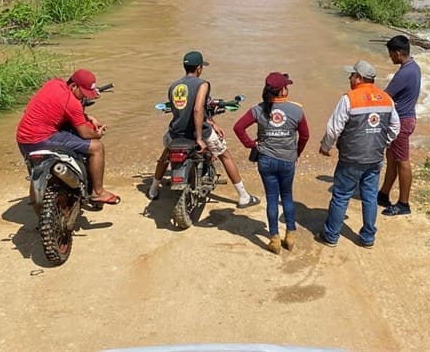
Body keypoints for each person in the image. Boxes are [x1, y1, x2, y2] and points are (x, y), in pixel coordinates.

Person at [148, 51, 260, 209]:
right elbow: (197, 109)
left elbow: (180, 111)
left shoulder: (174, 86)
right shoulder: (203, 84)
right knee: (225, 155)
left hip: (175, 133)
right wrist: (199, 137)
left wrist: (211, 121)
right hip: (199, 133)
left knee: (165, 156)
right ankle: (243, 196)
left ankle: (153, 190)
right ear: (199, 68)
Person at [318, 60, 399, 248]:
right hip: (375, 157)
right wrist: (382, 144)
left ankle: (331, 236)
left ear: (359, 78)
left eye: (352, 75)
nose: (349, 77)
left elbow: (333, 129)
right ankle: (368, 237)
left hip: (351, 158)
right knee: (370, 196)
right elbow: (395, 127)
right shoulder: (386, 99)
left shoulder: (349, 98)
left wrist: (325, 146)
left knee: (341, 195)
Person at [16, 69, 120, 205]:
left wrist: (88, 116)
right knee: (97, 148)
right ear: (74, 86)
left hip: (23, 139)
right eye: (83, 93)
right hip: (44, 140)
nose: (84, 97)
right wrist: (98, 133)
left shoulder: (53, 83)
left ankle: (36, 201)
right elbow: (85, 133)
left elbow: (57, 109)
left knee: (36, 169)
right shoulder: (72, 103)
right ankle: (98, 192)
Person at [233, 72, 310, 255]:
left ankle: (274, 238)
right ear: (282, 90)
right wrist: (296, 153)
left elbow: (238, 127)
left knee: (272, 198)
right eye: (287, 86)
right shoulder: (296, 110)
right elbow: (305, 136)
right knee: (287, 196)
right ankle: (290, 235)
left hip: (265, 160)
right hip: (287, 161)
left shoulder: (258, 109)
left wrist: (251, 144)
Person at [378, 35, 422, 216]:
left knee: (402, 162)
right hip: (405, 118)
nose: (390, 58)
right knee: (392, 158)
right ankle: (383, 193)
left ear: (398, 53)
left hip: (402, 122)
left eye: (391, 55)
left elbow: (386, 95)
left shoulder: (405, 73)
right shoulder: (413, 67)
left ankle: (404, 203)